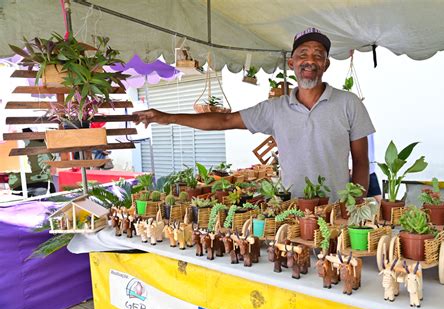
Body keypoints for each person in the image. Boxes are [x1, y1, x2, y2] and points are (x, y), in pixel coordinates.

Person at [134, 28, 375, 201]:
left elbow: (361, 162)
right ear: (291, 63)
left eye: (318, 55)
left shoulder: (348, 103)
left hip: (337, 210)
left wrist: (355, 203)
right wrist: (166, 117)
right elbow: (225, 120)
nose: (310, 61)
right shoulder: (274, 109)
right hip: (290, 210)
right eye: (303, 54)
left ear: (326, 64)